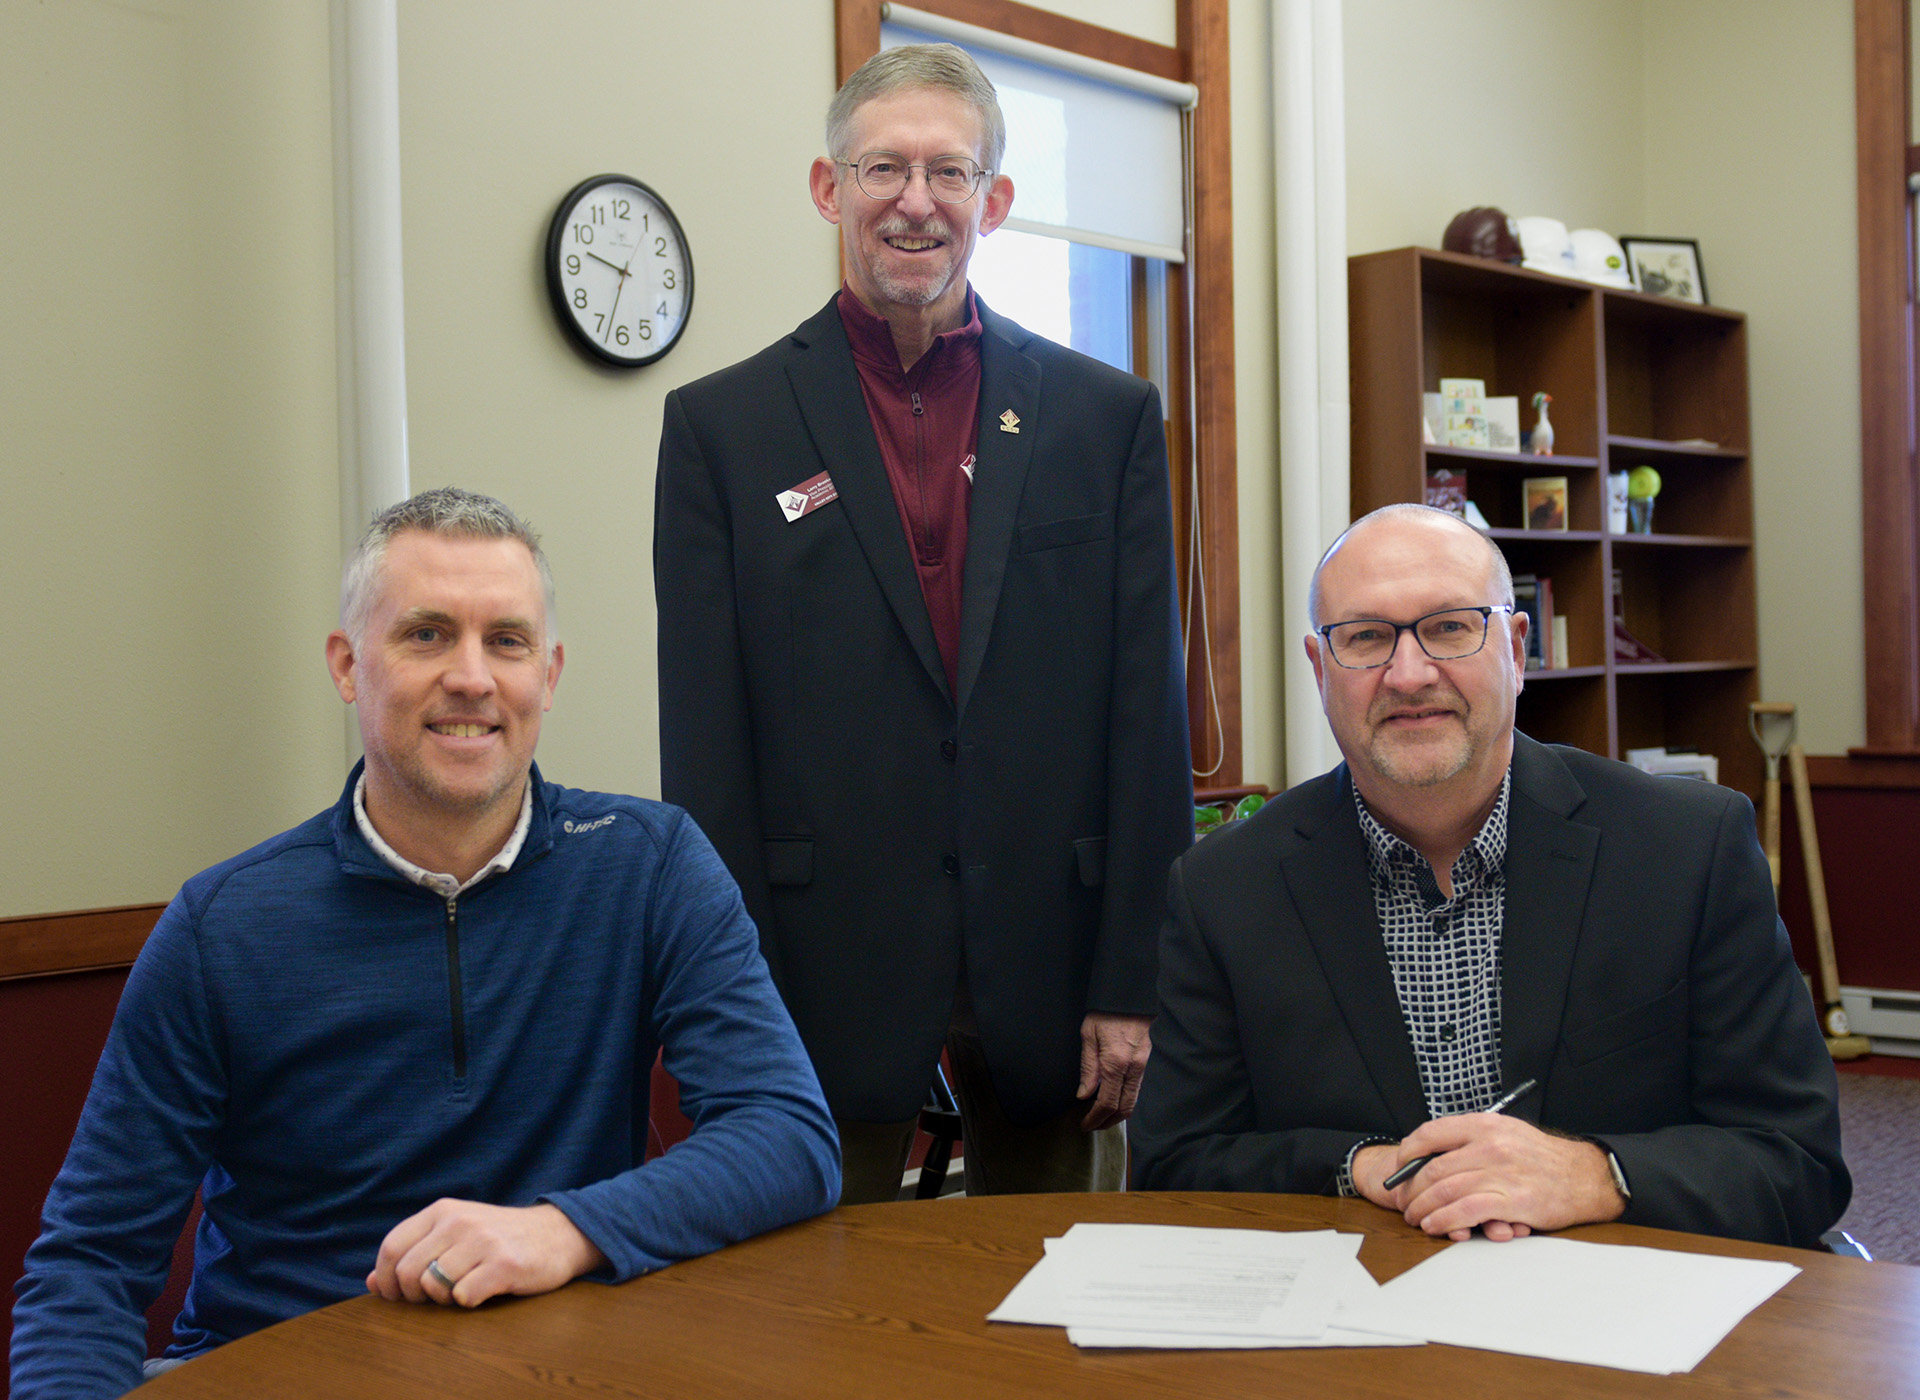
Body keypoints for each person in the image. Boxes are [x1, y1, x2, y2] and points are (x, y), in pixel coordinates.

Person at [12, 488, 839, 1399]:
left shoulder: (650, 867)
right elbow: (88, 1264)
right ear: (347, 665)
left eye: (507, 642)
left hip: (563, 1365)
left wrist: (557, 1231)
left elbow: (787, 1135)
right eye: (427, 634)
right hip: (283, 1369)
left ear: (550, 674)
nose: (473, 678)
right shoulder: (222, 927)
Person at [654, 43, 1191, 1203]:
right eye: (882, 168)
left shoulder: (1107, 419)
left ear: (993, 200)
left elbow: (1146, 715)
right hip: (816, 974)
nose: (915, 201)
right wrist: (727, 992)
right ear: (827, 187)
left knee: (1060, 1328)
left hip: (1059, 968)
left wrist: (1134, 976)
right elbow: (706, 744)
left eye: (949, 173)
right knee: (819, 1330)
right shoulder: (721, 428)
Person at [1131, 503, 1850, 1248]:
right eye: (1366, 638)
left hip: (1629, 1312)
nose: (1408, 675)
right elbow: (1173, 1168)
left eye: (1449, 626)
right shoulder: (1224, 890)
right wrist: (1358, 1166)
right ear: (1320, 668)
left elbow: (1796, 1159)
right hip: (1358, 1324)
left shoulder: (1686, 850)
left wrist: (1596, 1174)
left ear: (1515, 647)